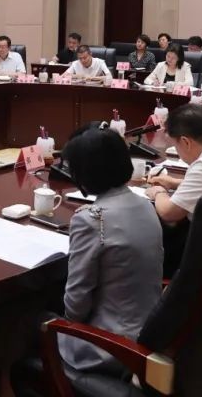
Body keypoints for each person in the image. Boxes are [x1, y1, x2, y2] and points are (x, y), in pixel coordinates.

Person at [55, 125, 162, 376]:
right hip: (149, 333)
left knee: (23, 322)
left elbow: (75, 309)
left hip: (109, 346)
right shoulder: (146, 204)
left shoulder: (92, 219)